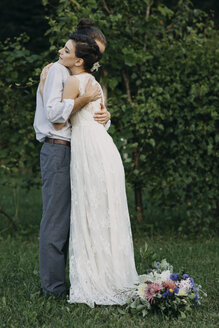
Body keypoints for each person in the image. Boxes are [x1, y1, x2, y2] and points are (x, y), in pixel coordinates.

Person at [34, 19, 110, 298]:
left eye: (97, 56)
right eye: (92, 53)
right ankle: (52, 290)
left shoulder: (76, 76)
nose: (94, 60)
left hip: (78, 150)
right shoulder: (56, 72)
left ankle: (79, 281)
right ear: (81, 48)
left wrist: (106, 116)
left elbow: (90, 116)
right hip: (58, 149)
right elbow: (55, 117)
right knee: (56, 221)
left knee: (77, 218)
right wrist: (82, 100)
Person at [62, 32, 139, 307]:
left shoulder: (73, 81)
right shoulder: (93, 81)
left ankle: (98, 278)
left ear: (79, 59)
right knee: (103, 211)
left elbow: (60, 119)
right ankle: (111, 274)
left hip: (90, 150)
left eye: (66, 48)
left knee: (91, 209)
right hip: (103, 148)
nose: (62, 50)